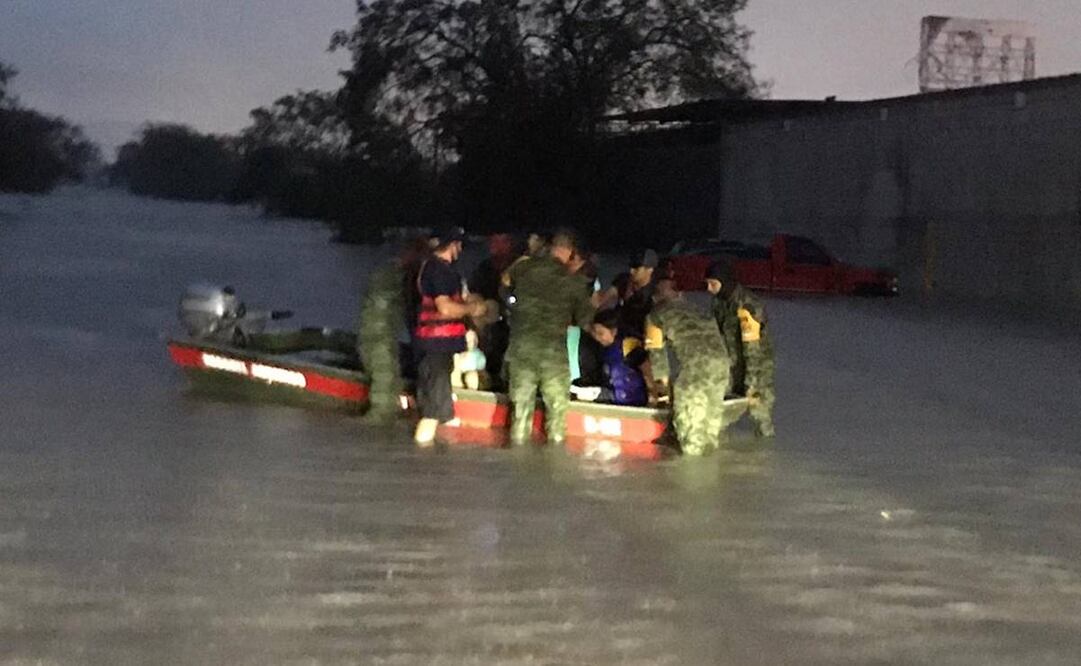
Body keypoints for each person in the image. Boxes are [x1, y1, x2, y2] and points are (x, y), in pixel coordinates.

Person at [504, 229, 595, 445]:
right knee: (556, 420)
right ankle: (553, 465)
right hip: (553, 357)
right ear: (570, 252)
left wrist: (513, 305)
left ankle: (516, 458)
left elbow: (504, 283)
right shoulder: (573, 281)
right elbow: (584, 320)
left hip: (521, 351)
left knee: (519, 417)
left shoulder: (523, 268)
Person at [412, 226, 487, 445]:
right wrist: (472, 310)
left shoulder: (442, 270)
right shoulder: (438, 270)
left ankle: (429, 461)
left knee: (437, 409)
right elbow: (445, 308)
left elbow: (458, 298)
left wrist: (472, 303)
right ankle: (421, 458)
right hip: (434, 347)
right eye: (459, 244)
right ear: (452, 245)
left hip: (438, 348)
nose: (461, 249)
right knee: (432, 413)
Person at [644, 278, 731, 456]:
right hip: (722, 368)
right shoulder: (700, 310)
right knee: (710, 436)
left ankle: (690, 478)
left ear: (654, 298)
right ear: (679, 294)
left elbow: (658, 359)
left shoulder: (655, 315)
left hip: (695, 374)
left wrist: (661, 394)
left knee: (691, 441)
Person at [357, 237, 429, 420]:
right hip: (380, 340)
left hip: (381, 338)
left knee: (389, 390)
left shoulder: (392, 274)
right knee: (383, 401)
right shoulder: (393, 276)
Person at [706, 261, 776, 438]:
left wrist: (751, 384)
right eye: (707, 283)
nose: (709, 289)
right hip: (731, 361)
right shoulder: (719, 302)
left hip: (757, 366)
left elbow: (753, 350)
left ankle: (763, 450)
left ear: (725, 282)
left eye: (713, 284)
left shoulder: (748, 306)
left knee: (759, 414)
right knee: (720, 409)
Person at [572, 308, 649, 407]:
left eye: (601, 333)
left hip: (632, 398)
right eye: (595, 333)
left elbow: (645, 366)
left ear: (613, 331)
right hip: (612, 397)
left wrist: (652, 391)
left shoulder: (628, 344)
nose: (597, 337)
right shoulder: (602, 350)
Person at [597, 248, 659, 339]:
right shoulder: (625, 281)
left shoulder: (656, 291)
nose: (631, 271)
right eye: (631, 267)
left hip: (642, 334)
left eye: (637, 268)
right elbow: (605, 298)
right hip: (620, 329)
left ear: (649, 269)